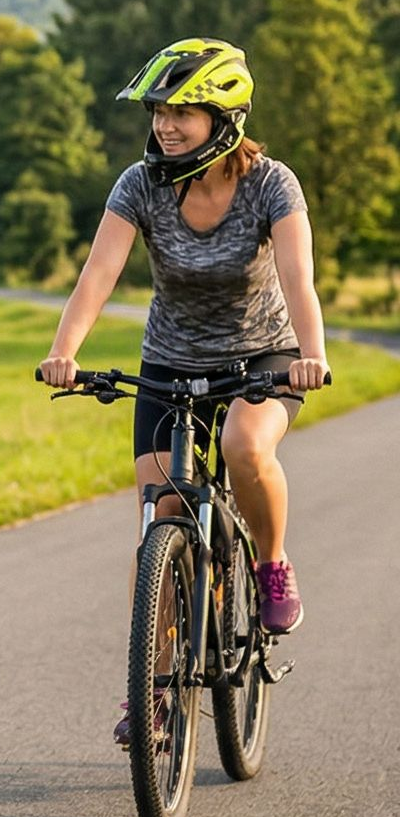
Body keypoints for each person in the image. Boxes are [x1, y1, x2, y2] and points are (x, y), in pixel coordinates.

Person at [36, 38, 330, 745]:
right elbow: (99, 272)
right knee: (161, 516)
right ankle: (154, 693)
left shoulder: (271, 184)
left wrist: (312, 355)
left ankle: (270, 563)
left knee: (243, 444)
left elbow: (298, 277)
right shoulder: (140, 184)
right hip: (169, 361)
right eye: (161, 111)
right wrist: (64, 352)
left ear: (225, 117)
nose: (166, 125)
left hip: (264, 357)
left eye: (184, 113)